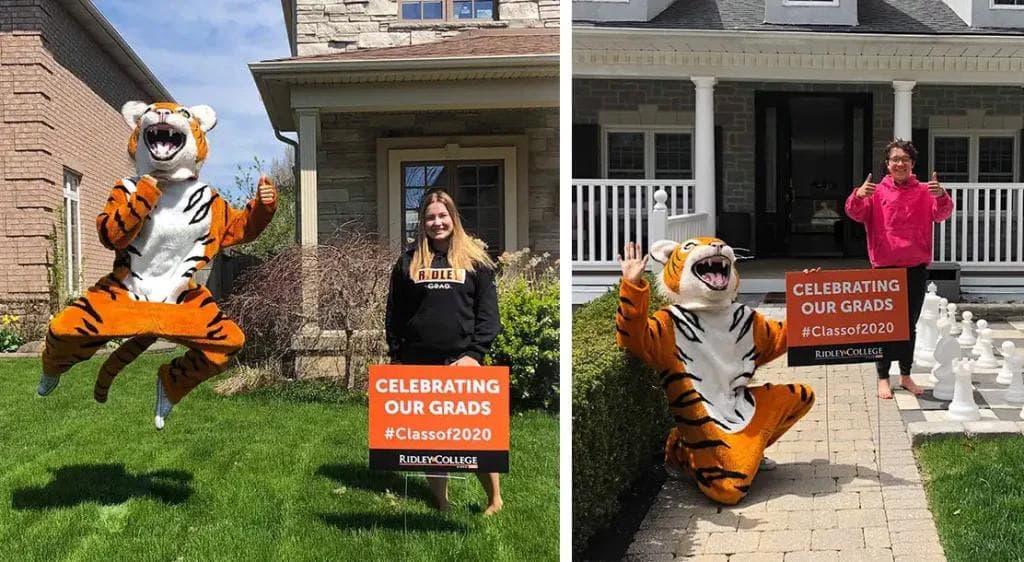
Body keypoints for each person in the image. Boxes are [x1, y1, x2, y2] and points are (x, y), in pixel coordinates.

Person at [385, 189, 503, 515]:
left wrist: (475, 355)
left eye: (442, 216)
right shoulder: (408, 261)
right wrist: (397, 355)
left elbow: (488, 316)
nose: (437, 223)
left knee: (475, 439)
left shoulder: (476, 262)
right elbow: (394, 313)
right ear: (422, 222)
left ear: (453, 218)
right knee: (431, 442)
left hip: (463, 363)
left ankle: (494, 499)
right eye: (430, 217)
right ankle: (441, 502)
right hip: (418, 364)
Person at [845, 139, 954, 399]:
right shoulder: (876, 191)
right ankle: (883, 377)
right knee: (883, 325)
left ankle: (905, 375)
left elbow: (942, 214)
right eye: (895, 159)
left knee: (909, 325)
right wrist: (858, 195)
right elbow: (855, 213)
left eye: (905, 159)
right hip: (884, 268)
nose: (899, 163)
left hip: (914, 268)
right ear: (887, 164)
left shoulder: (925, 191)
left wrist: (942, 196)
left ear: (912, 164)